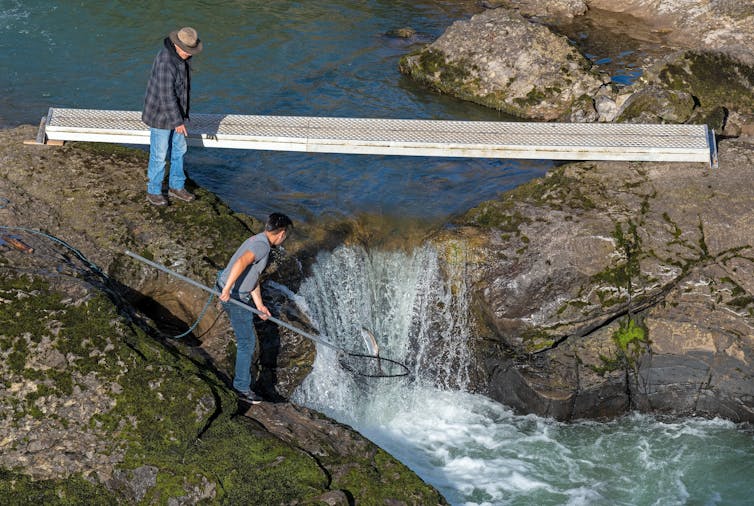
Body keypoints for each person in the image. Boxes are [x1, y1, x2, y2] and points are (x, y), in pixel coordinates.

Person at [217, 213, 293, 403]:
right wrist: (227, 290)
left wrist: (259, 305)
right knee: (247, 343)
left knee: (247, 340)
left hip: (232, 290)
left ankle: (242, 384)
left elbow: (252, 276)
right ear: (281, 233)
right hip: (235, 297)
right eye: (286, 235)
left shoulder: (257, 239)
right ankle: (241, 387)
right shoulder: (262, 246)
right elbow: (241, 262)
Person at [142, 26, 203, 206]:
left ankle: (176, 186)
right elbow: (166, 95)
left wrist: (181, 117)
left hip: (178, 115)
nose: (189, 54)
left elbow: (182, 91)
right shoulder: (165, 62)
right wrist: (178, 122)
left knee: (179, 150)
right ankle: (153, 191)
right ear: (177, 45)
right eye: (186, 50)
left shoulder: (182, 58)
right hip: (160, 116)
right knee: (159, 155)